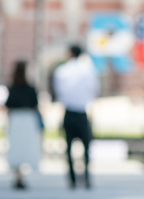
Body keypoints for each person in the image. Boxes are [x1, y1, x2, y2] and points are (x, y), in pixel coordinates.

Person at [52, 45, 98, 189]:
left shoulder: (62, 71)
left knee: (69, 148)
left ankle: (72, 179)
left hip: (69, 111)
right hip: (82, 112)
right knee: (86, 149)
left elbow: (58, 91)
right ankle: (87, 178)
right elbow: (94, 90)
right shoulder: (88, 70)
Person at [5, 60, 41, 190]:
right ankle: (20, 176)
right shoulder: (30, 88)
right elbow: (35, 104)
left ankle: (18, 175)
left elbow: (8, 105)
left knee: (17, 146)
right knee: (25, 146)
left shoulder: (13, 87)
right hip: (27, 119)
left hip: (17, 119)